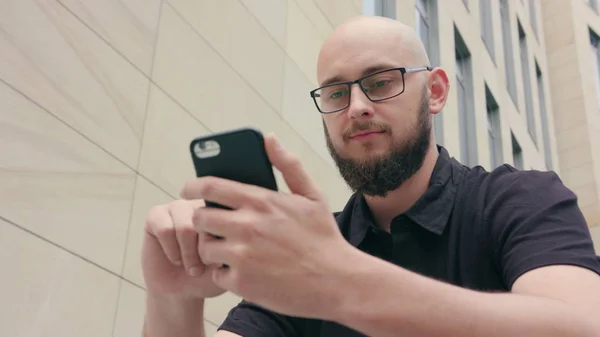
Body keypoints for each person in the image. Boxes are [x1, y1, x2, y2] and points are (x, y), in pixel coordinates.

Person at [141, 16, 600, 337]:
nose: (357, 106)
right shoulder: (309, 251)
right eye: (337, 92)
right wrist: (172, 299)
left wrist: (341, 284)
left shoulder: (519, 199)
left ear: (436, 91)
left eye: (381, 81)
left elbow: (581, 328)